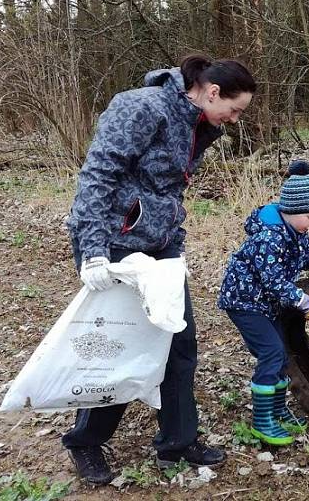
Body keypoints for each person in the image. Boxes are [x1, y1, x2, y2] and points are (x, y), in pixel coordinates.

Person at [63, 54, 256, 484]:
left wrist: (174, 239)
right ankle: (86, 442)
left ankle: (177, 442)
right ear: (212, 92)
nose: (235, 119)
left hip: (161, 246)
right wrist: (93, 248)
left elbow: (167, 190)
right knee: (116, 344)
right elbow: (98, 175)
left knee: (178, 342)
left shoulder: (198, 125)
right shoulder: (140, 107)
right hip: (114, 245)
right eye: (235, 109)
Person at [218, 160, 309, 446]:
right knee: (271, 353)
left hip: (267, 304)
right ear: (292, 210)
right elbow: (274, 282)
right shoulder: (270, 238)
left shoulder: (297, 231)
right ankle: (262, 421)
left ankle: (278, 409)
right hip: (245, 303)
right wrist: (307, 304)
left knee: (283, 353)